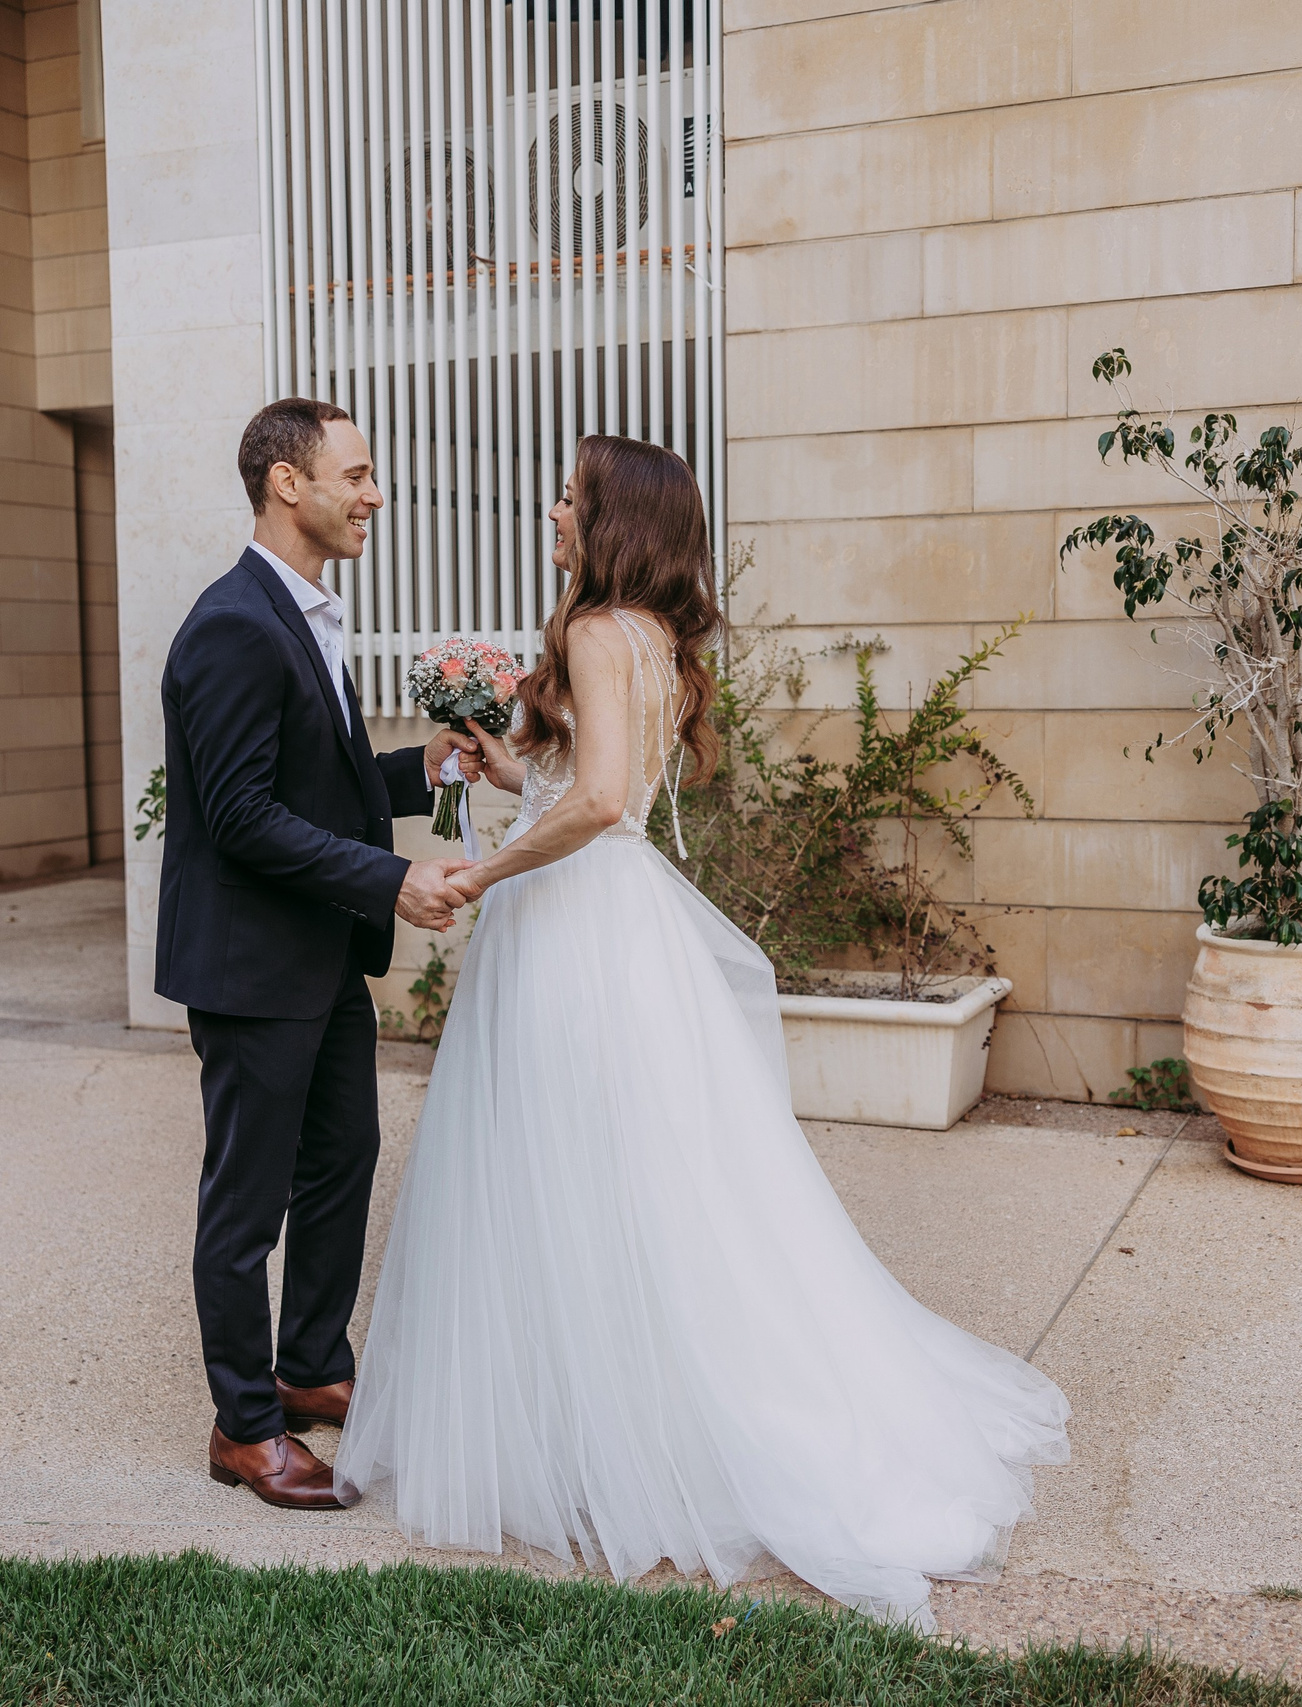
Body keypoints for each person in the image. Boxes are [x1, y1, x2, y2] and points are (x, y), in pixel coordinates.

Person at [332, 435, 1070, 1630]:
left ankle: (616, 1436)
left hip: (575, 933)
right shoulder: (654, 640)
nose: (554, 510)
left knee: (568, 1171)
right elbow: (583, 788)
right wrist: (501, 760)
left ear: (613, 516)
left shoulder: (589, 631)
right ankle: (603, 1417)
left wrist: (480, 876)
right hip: (616, 925)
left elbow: (605, 802)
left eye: (569, 497)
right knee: (645, 1177)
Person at [157, 396, 476, 1510]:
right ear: (287, 484)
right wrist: (395, 877)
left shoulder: (304, 615)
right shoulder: (234, 625)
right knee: (245, 1202)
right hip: (250, 967)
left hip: (321, 955)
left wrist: (420, 766)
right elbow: (241, 815)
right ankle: (245, 1427)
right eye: (357, 473)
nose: (373, 494)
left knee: (341, 1161)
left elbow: (318, 785)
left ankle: (309, 1364)